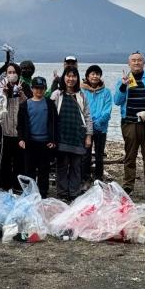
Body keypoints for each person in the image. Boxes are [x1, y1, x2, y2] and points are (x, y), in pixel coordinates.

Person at [114, 51, 145, 197]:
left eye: (139, 60)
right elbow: (117, 101)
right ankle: (128, 185)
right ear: (129, 64)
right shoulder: (124, 80)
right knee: (130, 155)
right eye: (133, 60)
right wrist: (122, 86)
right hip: (129, 122)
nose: (137, 63)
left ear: (144, 63)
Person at [51, 67, 93, 201]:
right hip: (61, 135)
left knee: (76, 166)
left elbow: (87, 116)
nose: (71, 79)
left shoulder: (81, 95)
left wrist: (88, 135)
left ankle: (73, 193)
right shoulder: (57, 94)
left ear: (77, 78)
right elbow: (51, 117)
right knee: (62, 165)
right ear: (64, 77)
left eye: (74, 76)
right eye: (68, 76)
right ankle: (62, 193)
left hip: (77, 135)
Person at [17, 76, 57, 198]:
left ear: (45, 89)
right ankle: (30, 194)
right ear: (32, 88)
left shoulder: (50, 104)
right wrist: (21, 139)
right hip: (30, 142)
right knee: (29, 170)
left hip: (45, 143)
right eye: (36, 88)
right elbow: (20, 125)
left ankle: (43, 194)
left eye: (41, 88)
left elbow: (54, 123)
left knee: (44, 170)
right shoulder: (25, 105)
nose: (39, 91)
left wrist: (53, 140)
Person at [81, 65, 112, 184]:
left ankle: (98, 178)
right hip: (85, 128)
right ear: (87, 76)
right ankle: (85, 178)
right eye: (92, 74)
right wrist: (88, 124)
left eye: (97, 74)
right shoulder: (82, 91)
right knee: (85, 154)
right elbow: (81, 108)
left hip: (100, 128)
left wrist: (97, 123)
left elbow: (107, 110)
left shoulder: (106, 92)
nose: (95, 76)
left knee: (99, 155)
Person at [0, 62, 26, 191]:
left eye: (14, 72)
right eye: (9, 72)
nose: (12, 75)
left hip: (19, 132)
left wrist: (21, 94)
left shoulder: (24, 87)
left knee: (19, 161)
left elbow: (28, 105)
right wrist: (4, 93)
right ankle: (5, 185)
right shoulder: (2, 88)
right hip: (5, 130)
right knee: (5, 160)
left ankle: (17, 186)